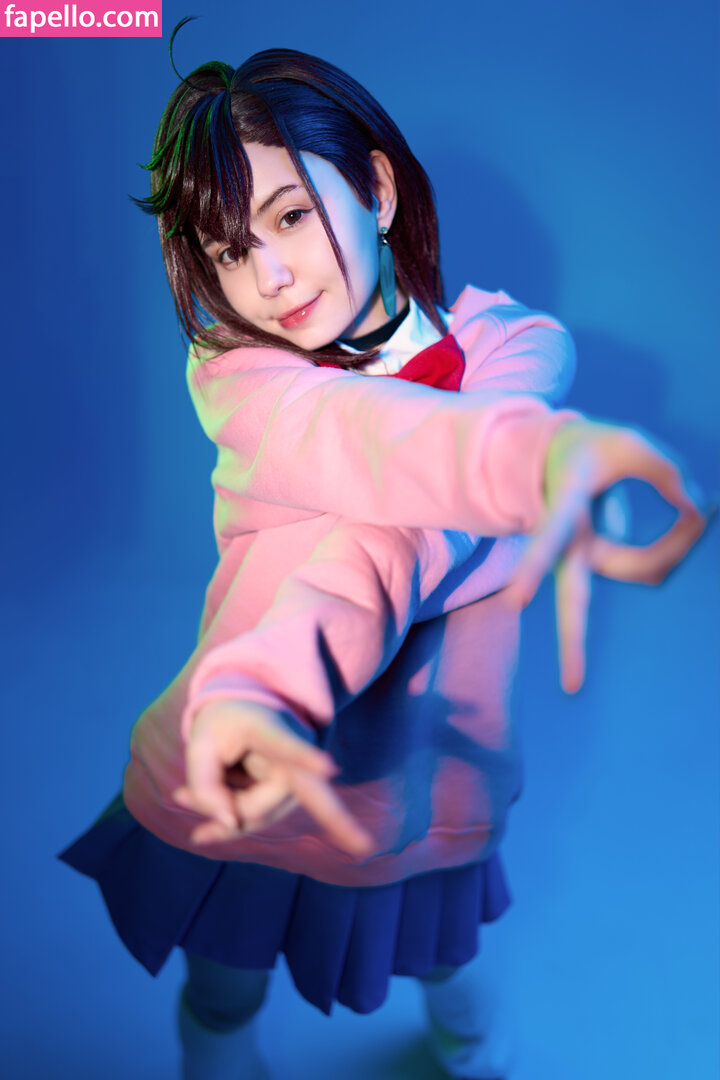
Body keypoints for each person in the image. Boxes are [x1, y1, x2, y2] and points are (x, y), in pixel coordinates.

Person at [58, 32, 708, 1080]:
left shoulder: (510, 347)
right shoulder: (245, 379)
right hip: (261, 743)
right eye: (229, 250)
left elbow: (413, 526)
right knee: (222, 988)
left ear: (377, 189)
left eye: (290, 216)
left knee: (451, 968)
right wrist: (538, 460)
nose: (269, 275)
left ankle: (476, 1051)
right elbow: (376, 465)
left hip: (428, 760)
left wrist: (536, 452)